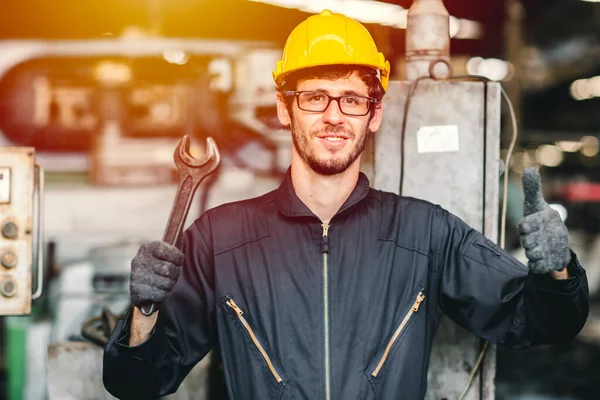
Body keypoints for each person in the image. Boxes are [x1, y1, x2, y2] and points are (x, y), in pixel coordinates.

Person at [103, 9, 589, 400]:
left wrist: (557, 272)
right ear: (283, 108)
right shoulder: (220, 239)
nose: (334, 115)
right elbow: (136, 384)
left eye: (351, 100)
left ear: (374, 114)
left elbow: (543, 321)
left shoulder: (425, 234)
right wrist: (143, 311)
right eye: (315, 97)